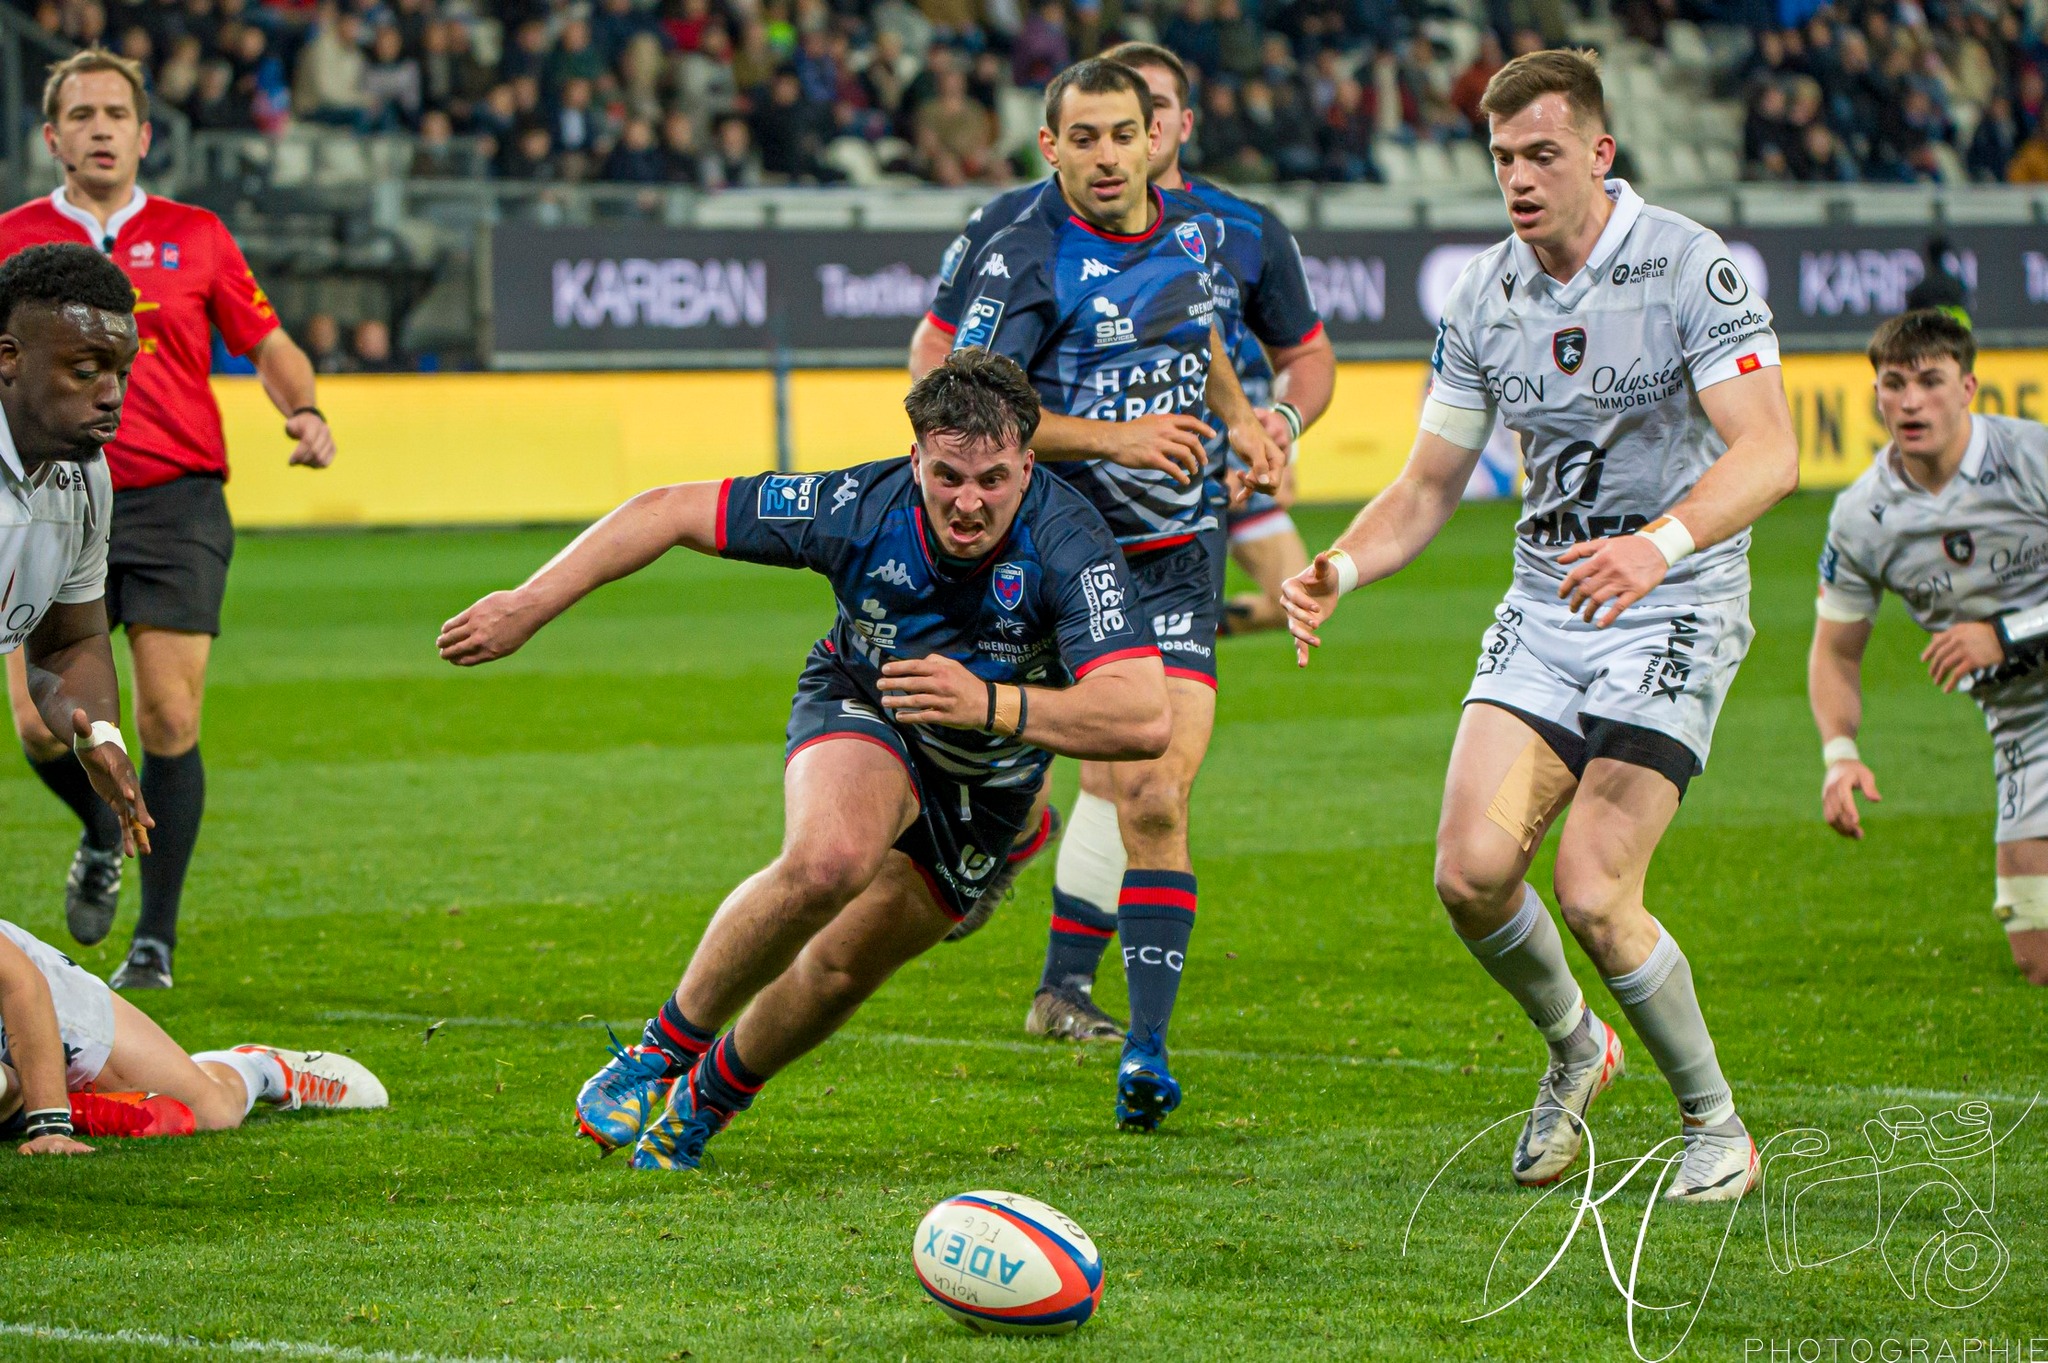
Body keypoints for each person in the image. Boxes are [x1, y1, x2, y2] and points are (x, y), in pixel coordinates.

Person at [438, 351, 1171, 1170]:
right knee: (828, 861)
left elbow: (1145, 715)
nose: (968, 503)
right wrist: (528, 604)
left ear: (1027, 467)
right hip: (870, 702)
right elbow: (669, 509)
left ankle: (706, 1101)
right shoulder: (856, 506)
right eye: (947, 476)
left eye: (993, 480)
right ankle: (660, 1051)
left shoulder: (1072, 544)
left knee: (840, 969)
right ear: (916, 460)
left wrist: (989, 704)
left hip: (990, 782)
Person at [1281, 49, 1799, 1202]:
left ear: (1598, 154)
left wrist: (1656, 543)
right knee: (1469, 874)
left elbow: (1770, 451)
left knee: (1594, 890)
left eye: (1541, 154)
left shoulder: (1686, 265)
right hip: (1547, 611)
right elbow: (1426, 485)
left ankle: (1715, 1127)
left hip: (1671, 608)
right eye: (1501, 157)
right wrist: (1339, 566)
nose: (1517, 178)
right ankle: (1575, 1045)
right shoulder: (1484, 295)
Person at [945, 58, 1285, 1129]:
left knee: (1153, 791)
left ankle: (1143, 1046)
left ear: (1157, 139)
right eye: (1082, 138)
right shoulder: (1024, 256)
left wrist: (1243, 421)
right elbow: (971, 414)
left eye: (1121, 136)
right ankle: (995, 834)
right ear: (1050, 146)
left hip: (1177, 553)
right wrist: (1116, 438)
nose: (1104, 157)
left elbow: (1200, 338)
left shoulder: (1196, 237)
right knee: (972, 778)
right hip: (1060, 559)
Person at [0, 242, 380, 1155]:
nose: (112, 396)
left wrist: (96, 730)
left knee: (205, 1107)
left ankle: (256, 1069)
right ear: (8, 357)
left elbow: (70, 639)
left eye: (122, 372)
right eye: (84, 369)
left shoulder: (83, 480)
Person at [0, 50, 337, 989]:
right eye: (81, 114)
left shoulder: (199, 236)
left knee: (169, 714)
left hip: (175, 496)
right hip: (48, 496)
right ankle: (98, 827)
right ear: (52, 136)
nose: (100, 129)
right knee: (39, 727)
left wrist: (305, 409)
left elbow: (268, 342)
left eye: (116, 113)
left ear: (145, 135)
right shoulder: (13, 241)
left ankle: (154, 939)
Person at [1809, 310, 2048, 987]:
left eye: (1930, 381)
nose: (1911, 401)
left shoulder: (2031, 456)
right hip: (2024, 725)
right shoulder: (1863, 517)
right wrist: (1839, 756)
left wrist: (2006, 634)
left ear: (1968, 387)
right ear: (1876, 395)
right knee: (2037, 959)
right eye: (1895, 383)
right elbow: (1836, 653)